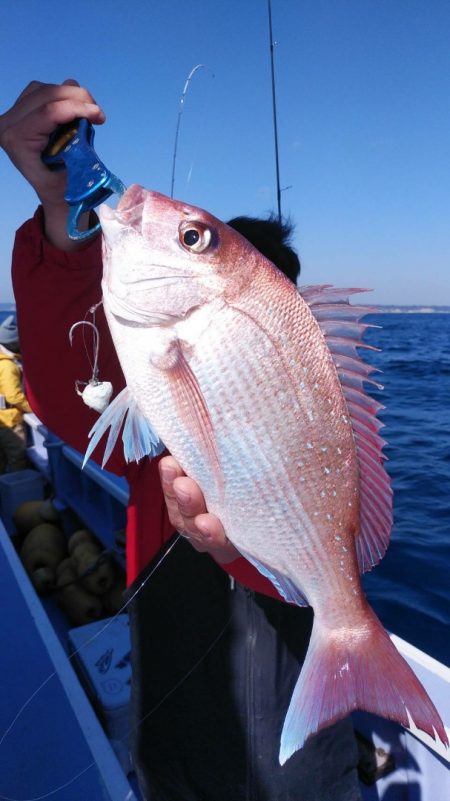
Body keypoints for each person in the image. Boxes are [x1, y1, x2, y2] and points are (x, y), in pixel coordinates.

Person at [0, 80, 363, 801]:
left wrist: (239, 545)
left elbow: (334, 520)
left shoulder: (318, 405)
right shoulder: (154, 405)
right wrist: (60, 212)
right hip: (176, 725)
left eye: (198, 239)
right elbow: (74, 392)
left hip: (299, 687)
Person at [0, 314, 32, 472]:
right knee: (16, 460)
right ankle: (17, 492)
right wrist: (33, 409)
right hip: (9, 422)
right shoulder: (8, 366)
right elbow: (14, 396)